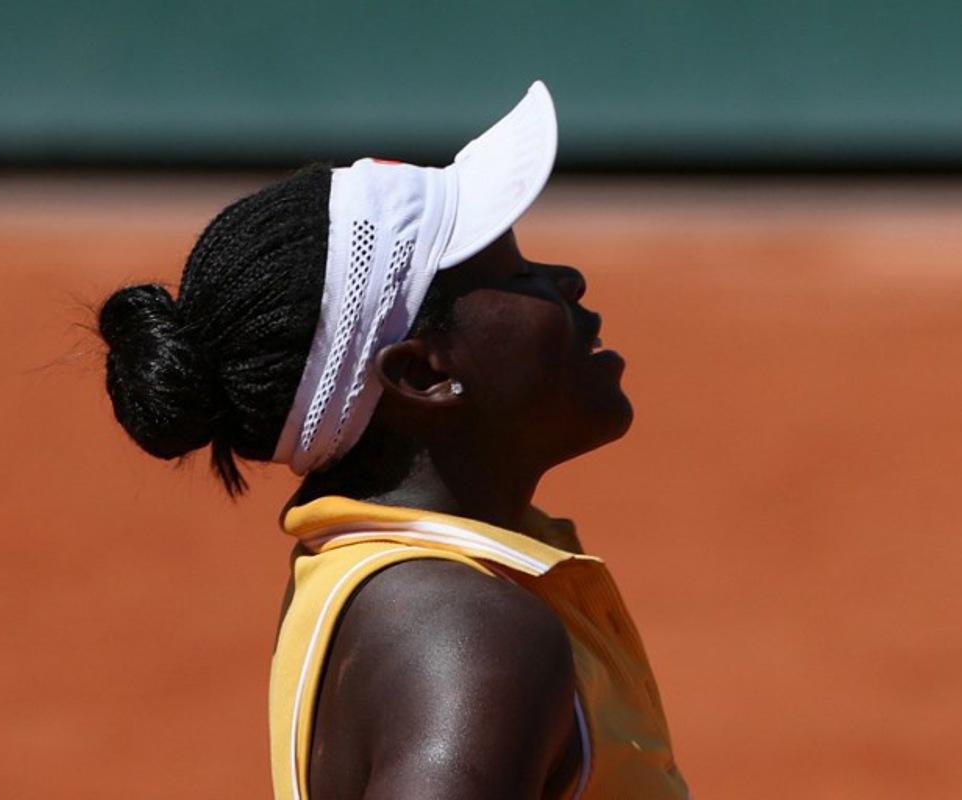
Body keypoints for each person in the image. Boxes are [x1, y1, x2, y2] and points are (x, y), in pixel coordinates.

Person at [97, 82, 688, 799]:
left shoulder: (388, 582)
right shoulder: (468, 636)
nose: (568, 278)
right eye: (515, 273)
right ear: (422, 374)